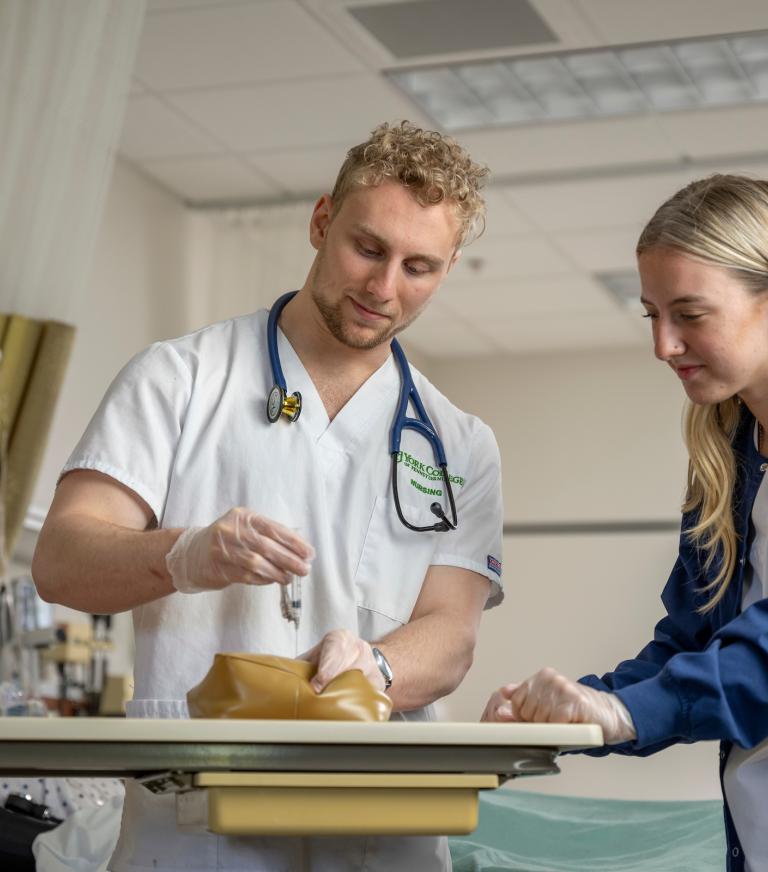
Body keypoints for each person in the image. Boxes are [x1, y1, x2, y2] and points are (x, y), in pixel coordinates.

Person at [32, 120, 504, 872]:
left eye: (419, 266)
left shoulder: (459, 442)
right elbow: (60, 559)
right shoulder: (180, 378)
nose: (385, 288)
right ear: (321, 222)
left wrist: (376, 666)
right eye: (368, 248)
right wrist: (185, 554)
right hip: (198, 823)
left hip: (381, 819)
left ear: (444, 272)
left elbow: (453, 633)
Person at [481, 174, 768, 872]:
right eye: (651, 315)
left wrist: (631, 713)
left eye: (690, 313)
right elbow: (692, 642)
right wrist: (587, 706)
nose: (664, 345)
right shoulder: (728, 462)